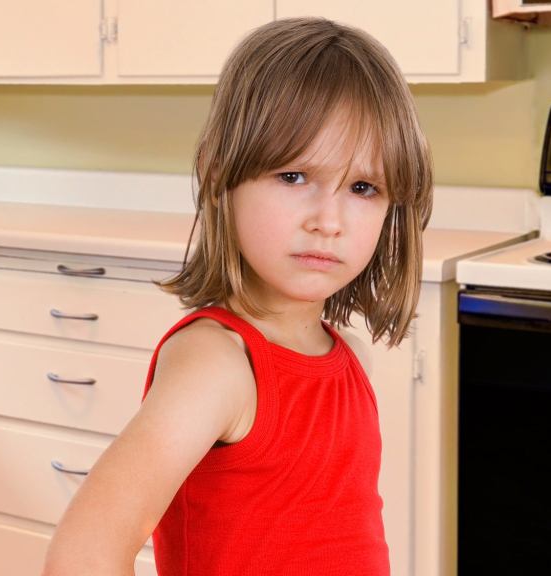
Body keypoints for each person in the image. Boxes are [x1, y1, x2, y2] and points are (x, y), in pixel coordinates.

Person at [42, 16, 433, 576]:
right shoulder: (218, 366)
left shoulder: (349, 356)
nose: (329, 220)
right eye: (294, 176)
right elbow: (83, 556)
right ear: (219, 173)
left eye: (363, 187)